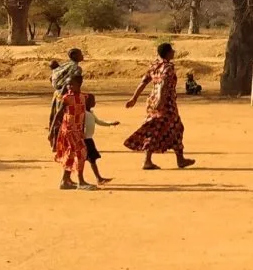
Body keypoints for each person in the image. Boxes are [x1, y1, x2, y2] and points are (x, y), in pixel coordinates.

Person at [123, 42, 193, 170]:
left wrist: (134, 98)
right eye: (172, 50)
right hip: (166, 103)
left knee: (154, 129)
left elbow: (143, 82)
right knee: (176, 127)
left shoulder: (154, 66)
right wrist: (161, 100)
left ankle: (150, 160)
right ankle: (179, 159)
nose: (174, 52)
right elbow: (163, 84)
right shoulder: (167, 67)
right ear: (167, 53)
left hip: (152, 101)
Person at [53, 78, 94, 190]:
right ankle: (81, 181)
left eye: (72, 84)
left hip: (78, 130)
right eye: (67, 84)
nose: (69, 86)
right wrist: (53, 130)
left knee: (71, 153)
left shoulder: (83, 97)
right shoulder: (66, 98)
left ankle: (65, 180)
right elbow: (58, 114)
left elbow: (83, 113)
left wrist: (83, 129)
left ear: (79, 84)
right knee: (81, 152)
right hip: (69, 130)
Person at [48, 49, 84, 150]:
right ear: (74, 55)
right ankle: (60, 144)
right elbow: (72, 83)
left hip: (56, 94)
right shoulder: (77, 68)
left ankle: (54, 144)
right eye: (80, 54)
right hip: (65, 94)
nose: (82, 55)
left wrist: (57, 90)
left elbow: (51, 78)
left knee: (55, 117)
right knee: (63, 118)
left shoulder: (64, 65)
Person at [81, 94, 118, 185]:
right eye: (92, 101)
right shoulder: (83, 113)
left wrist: (111, 123)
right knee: (89, 159)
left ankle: (98, 178)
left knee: (91, 159)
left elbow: (99, 122)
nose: (94, 102)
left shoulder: (91, 113)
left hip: (89, 139)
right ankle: (97, 178)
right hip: (85, 139)